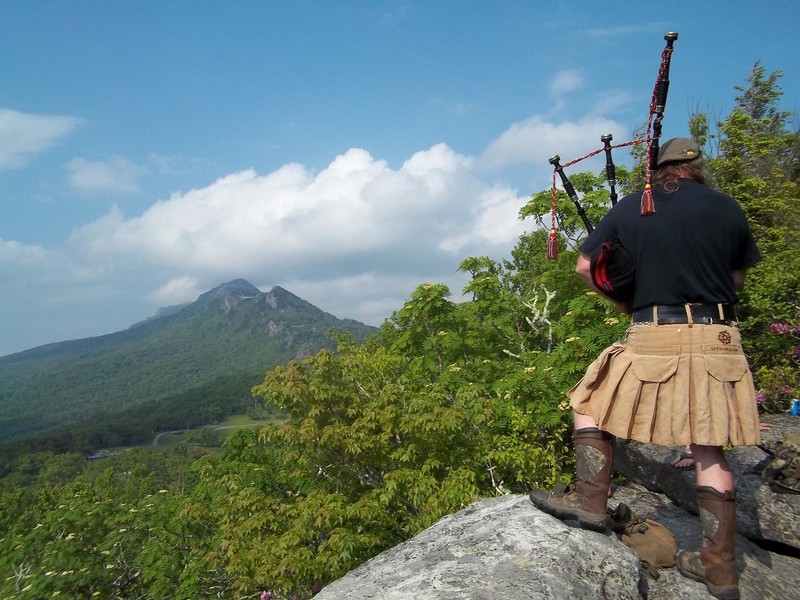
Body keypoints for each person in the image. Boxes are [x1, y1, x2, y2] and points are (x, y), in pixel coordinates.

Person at [529, 138, 762, 600]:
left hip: (657, 330)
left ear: (658, 171)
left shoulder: (636, 207)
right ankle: (719, 568)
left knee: (588, 401)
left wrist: (625, 302)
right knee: (710, 448)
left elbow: (583, 266)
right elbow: (735, 281)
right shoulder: (728, 208)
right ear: (697, 168)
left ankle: (591, 503)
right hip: (720, 337)